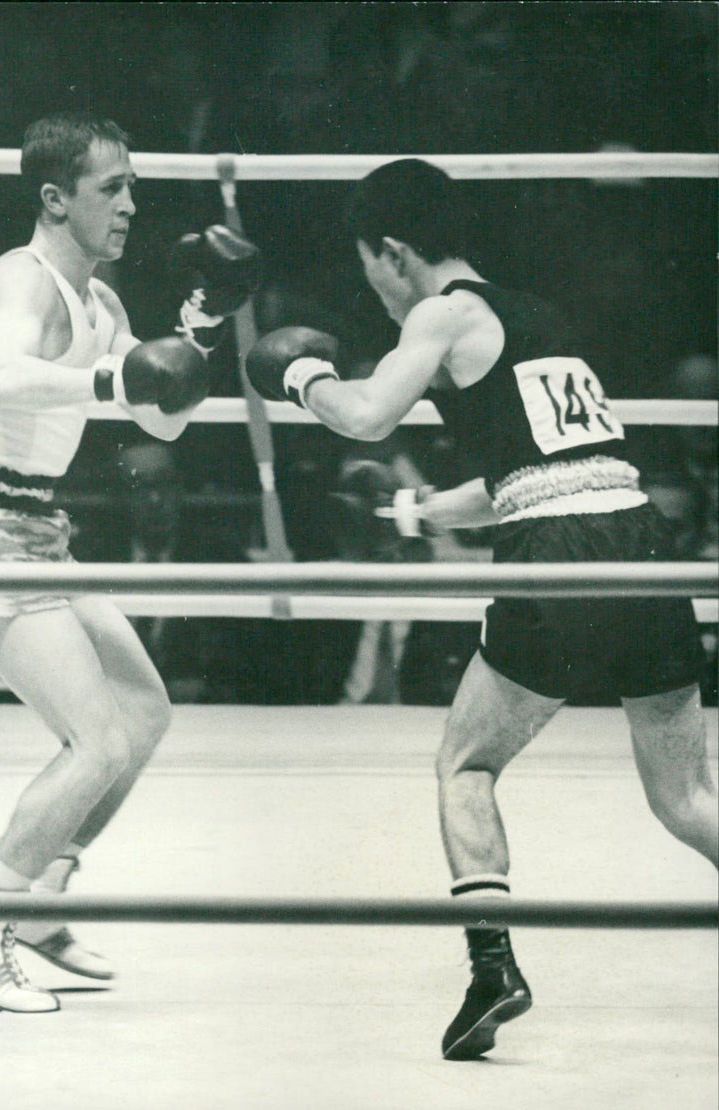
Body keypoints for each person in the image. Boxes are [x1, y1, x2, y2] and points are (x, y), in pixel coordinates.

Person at [244, 158, 718, 1060]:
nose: (375, 293)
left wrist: (303, 377)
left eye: (370, 270)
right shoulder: (537, 316)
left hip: (560, 561)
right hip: (643, 547)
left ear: (393, 251)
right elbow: (538, 473)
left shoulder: (440, 310)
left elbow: (371, 416)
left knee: (465, 763)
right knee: (688, 796)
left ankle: (493, 968)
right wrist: (410, 512)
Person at [0, 111, 260, 1012]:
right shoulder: (18, 279)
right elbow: (5, 377)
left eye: (133, 187)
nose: (129, 205)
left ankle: (40, 906)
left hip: (39, 525)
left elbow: (162, 416)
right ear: (54, 197)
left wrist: (199, 328)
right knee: (97, 738)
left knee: (144, 713)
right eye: (111, 188)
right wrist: (117, 379)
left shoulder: (103, 303)